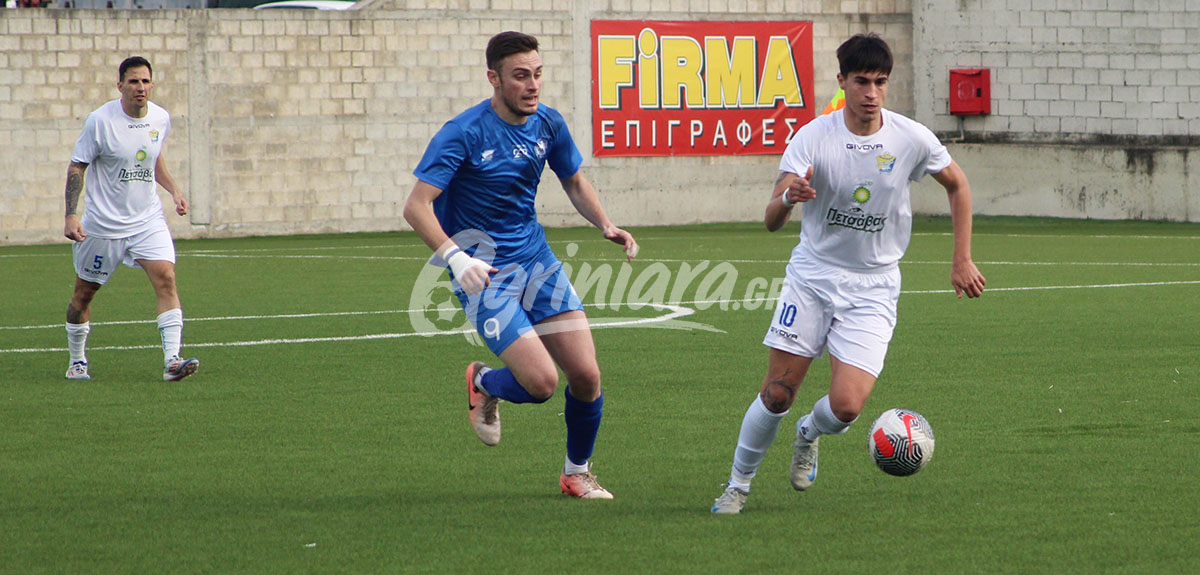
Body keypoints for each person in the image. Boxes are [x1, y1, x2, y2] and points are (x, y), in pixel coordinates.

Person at [711, 33, 986, 514]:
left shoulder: (910, 138)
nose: (871, 93)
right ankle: (737, 486)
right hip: (814, 278)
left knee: (846, 407)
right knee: (777, 393)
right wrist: (788, 197)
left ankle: (808, 432)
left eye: (880, 82)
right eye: (861, 81)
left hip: (875, 285)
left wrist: (961, 258)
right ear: (842, 81)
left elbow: (958, 185)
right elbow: (771, 220)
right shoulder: (813, 137)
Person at [403, 31, 638, 499]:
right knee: (542, 383)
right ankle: (484, 381)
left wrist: (605, 224)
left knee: (587, 376)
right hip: (484, 274)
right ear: (494, 79)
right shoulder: (462, 133)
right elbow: (416, 206)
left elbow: (573, 180)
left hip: (537, 263)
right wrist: (456, 258)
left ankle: (576, 473)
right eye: (520, 76)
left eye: (538, 74)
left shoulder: (548, 123)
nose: (532, 86)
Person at [63, 56, 199, 382]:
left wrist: (174, 191)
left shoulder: (160, 118)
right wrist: (71, 214)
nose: (141, 87)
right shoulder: (100, 121)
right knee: (84, 294)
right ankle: (77, 360)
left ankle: (172, 362)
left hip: (147, 220)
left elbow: (153, 158)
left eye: (146, 81)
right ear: (120, 85)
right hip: (103, 225)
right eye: (134, 81)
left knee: (166, 278)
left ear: (152, 85)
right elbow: (77, 167)